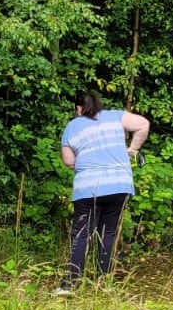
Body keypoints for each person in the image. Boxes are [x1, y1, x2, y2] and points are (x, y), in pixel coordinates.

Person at [54, 92, 149, 295]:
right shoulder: (115, 116)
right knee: (108, 233)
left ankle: (69, 284)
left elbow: (69, 161)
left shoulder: (73, 126)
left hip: (88, 188)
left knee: (81, 234)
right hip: (119, 185)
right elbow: (143, 125)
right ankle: (104, 283)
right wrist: (131, 150)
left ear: (79, 108)